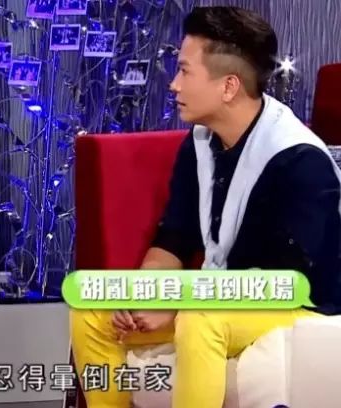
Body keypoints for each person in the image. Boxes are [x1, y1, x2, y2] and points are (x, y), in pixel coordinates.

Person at [71, 6, 341, 408]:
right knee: (92, 312)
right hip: (221, 297)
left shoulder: (299, 160)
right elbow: (174, 239)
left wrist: (180, 305)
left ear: (229, 86)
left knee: (201, 319)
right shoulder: (199, 143)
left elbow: (289, 280)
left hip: (299, 304)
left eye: (185, 71)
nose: (174, 85)